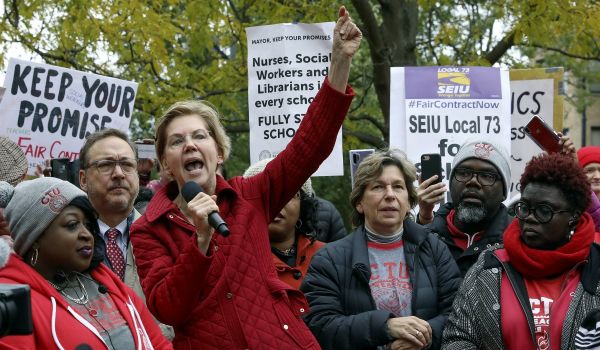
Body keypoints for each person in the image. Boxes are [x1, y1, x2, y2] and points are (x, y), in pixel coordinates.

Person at [129, 7, 361, 349]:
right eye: (177, 141)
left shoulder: (252, 195)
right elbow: (166, 308)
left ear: (219, 153)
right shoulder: (149, 228)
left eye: (200, 136)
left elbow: (309, 146)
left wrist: (339, 62)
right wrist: (200, 242)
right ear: (165, 163)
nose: (190, 144)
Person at [301, 149, 462, 350]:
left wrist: (423, 338)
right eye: (378, 187)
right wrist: (385, 327)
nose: (390, 195)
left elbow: (458, 314)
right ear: (359, 202)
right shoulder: (329, 259)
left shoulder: (435, 249)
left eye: (398, 187)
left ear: (409, 200)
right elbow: (320, 325)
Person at [442, 153, 600, 349]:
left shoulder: (596, 267)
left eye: (544, 211)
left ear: (573, 217)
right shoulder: (490, 266)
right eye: (524, 207)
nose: (530, 218)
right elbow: (456, 339)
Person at [0, 178, 172, 349]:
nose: (87, 235)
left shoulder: (107, 281)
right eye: (72, 224)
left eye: (88, 225)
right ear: (34, 238)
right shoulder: (11, 300)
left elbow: (158, 343)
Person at [79, 128, 173, 339]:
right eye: (105, 165)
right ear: (83, 179)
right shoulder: (59, 244)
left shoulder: (168, 234)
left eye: (128, 165)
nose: (119, 173)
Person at [416, 139, 513, 276]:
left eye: (487, 176)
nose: (473, 182)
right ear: (451, 183)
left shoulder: (519, 242)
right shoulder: (423, 239)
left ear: (504, 192)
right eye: (464, 173)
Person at [243, 158, 324, 289]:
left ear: (303, 206)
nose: (277, 202)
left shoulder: (328, 255)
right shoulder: (237, 262)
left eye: (287, 194)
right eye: (266, 195)